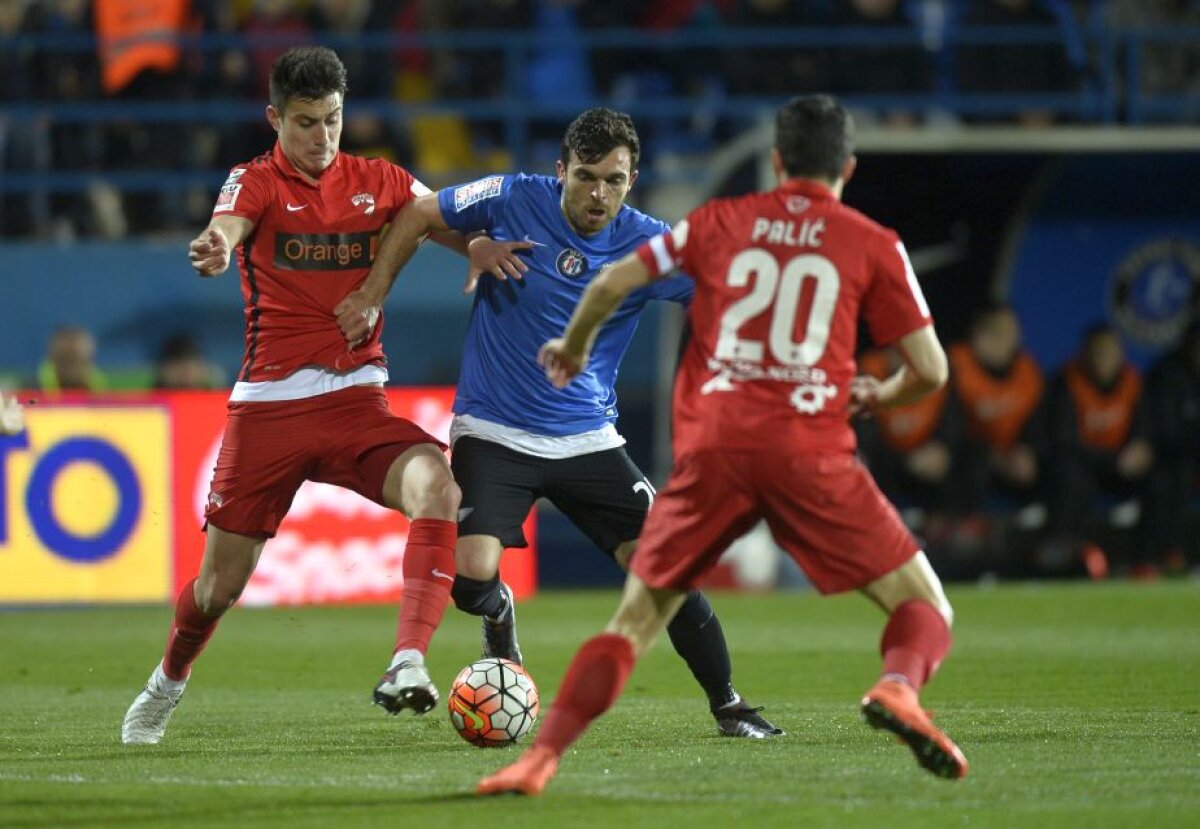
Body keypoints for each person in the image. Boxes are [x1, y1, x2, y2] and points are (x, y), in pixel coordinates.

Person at [479, 94, 969, 796]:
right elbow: (931, 370)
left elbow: (618, 277)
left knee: (636, 618)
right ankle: (897, 685)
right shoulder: (872, 241)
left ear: (774, 161)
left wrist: (572, 344)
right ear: (848, 167)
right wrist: (879, 395)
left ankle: (538, 759)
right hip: (809, 447)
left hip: (714, 448)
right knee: (925, 606)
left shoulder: (719, 222)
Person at [120, 46, 526, 745]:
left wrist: (480, 246)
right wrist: (217, 245)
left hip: (356, 405)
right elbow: (229, 225)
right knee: (217, 588)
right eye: (306, 122)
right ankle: (168, 681)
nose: (322, 137)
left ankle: (407, 660)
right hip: (269, 411)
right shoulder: (253, 182)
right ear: (275, 118)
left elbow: (436, 214)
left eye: (333, 120)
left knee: (440, 489)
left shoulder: (381, 178)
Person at [336, 107, 782, 739]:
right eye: (587, 177)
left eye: (615, 181)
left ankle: (730, 705)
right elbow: (419, 212)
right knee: (468, 574)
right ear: (560, 171)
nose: (599, 194)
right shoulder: (514, 195)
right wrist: (395, 283)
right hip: (494, 431)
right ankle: (497, 612)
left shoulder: (650, 244)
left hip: (589, 440)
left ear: (632, 181)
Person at [1039, 324, 1153, 575]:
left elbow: (1146, 433)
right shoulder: (1067, 380)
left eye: (1110, 352)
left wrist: (1141, 448)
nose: (1104, 359)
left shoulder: (1133, 382)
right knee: (1068, 474)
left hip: (1122, 472)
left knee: (1161, 475)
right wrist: (1113, 461)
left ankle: (1152, 559)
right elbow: (1063, 442)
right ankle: (1067, 557)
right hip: (1084, 468)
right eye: (1098, 352)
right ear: (1085, 354)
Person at [37, 325, 106, 392]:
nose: (70, 368)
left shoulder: (102, 387)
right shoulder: (33, 390)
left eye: (76, 361)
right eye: (64, 360)